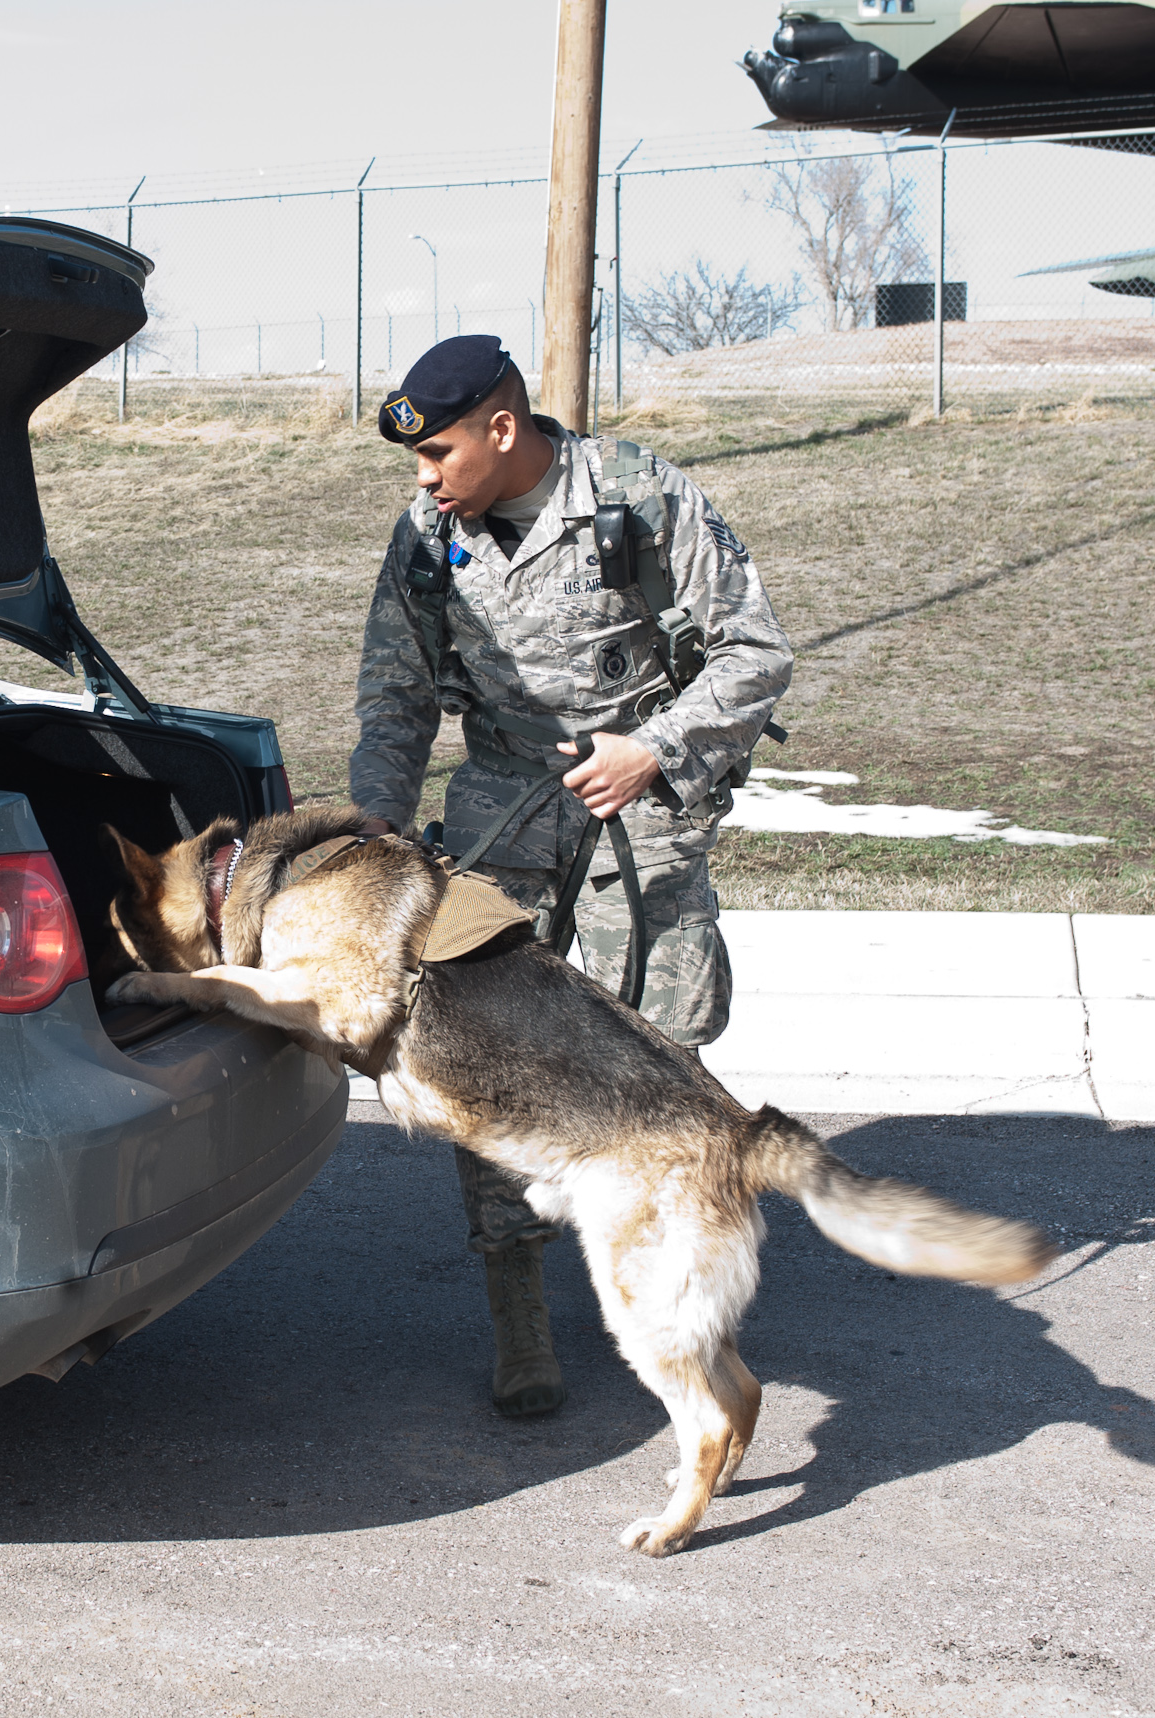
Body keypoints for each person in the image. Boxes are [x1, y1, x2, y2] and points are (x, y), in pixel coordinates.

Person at [350, 334, 793, 1418]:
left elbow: (753, 651)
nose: (424, 476)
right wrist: (372, 833)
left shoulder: (637, 497)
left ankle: (686, 1305)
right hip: (503, 812)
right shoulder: (428, 535)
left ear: (503, 429)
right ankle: (522, 1314)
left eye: (440, 452)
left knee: (664, 1065)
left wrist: (658, 746)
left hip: (640, 812)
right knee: (485, 1064)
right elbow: (396, 698)